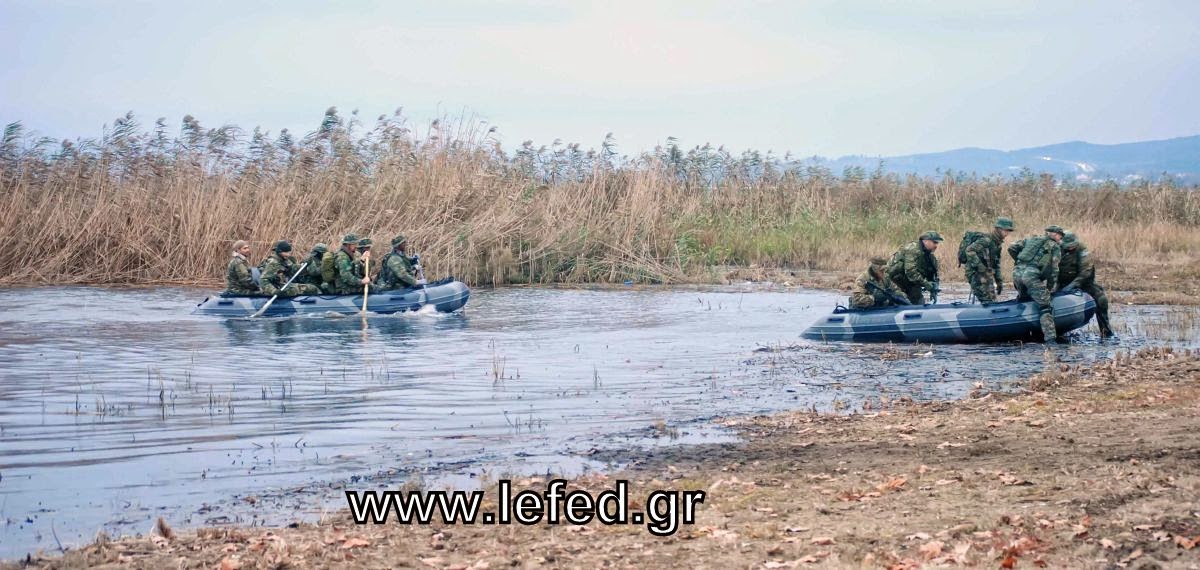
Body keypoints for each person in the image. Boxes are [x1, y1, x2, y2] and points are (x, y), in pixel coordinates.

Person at [1008, 225, 1064, 342]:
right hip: (1031, 276)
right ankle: (1050, 340)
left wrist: (1020, 261)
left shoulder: (1031, 240)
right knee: (1045, 307)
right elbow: (1054, 270)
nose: (1061, 239)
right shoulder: (1054, 247)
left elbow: (1012, 247)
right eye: (1060, 236)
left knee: (1024, 300)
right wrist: (1049, 289)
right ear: (1055, 234)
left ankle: (1023, 335)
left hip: (1017, 273)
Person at [1058, 231, 1114, 337]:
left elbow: (1085, 272)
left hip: (1083, 283)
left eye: (1072, 246)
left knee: (1101, 299)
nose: (1070, 248)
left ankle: (1105, 331)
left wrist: (1072, 285)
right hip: (1061, 282)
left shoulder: (1082, 250)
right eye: (1067, 246)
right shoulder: (1058, 249)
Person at [962, 217, 1015, 304]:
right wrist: (980, 267)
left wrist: (999, 281)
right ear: (998, 229)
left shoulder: (997, 244)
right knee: (987, 300)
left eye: (1009, 231)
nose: (1007, 233)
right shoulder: (986, 240)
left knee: (992, 300)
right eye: (1005, 230)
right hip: (976, 273)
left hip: (986, 274)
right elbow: (969, 250)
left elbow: (996, 264)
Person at [886, 231, 943, 305]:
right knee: (898, 301)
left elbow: (933, 273)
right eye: (934, 242)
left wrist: (933, 289)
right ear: (925, 241)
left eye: (937, 243)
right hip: (895, 281)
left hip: (910, 282)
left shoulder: (929, 256)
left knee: (919, 302)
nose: (936, 246)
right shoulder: (912, 249)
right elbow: (911, 272)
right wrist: (927, 285)